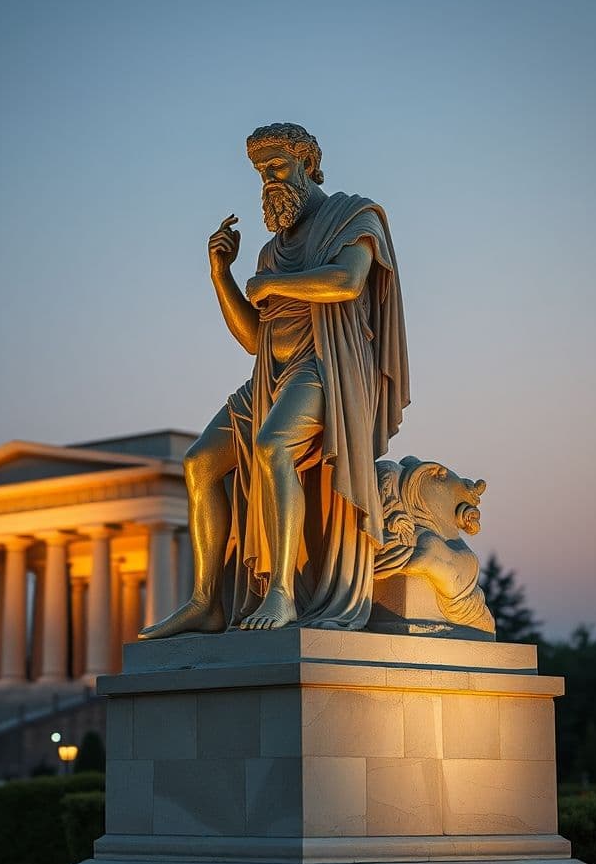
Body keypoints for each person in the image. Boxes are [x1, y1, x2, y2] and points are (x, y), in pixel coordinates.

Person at [141, 123, 409, 637]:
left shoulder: (355, 216)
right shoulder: (270, 250)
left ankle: (282, 592)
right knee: (199, 464)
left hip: (325, 369)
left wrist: (270, 284)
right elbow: (252, 337)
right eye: (261, 171)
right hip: (270, 375)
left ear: (308, 164)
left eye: (277, 166)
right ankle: (205, 602)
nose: (267, 179)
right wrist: (222, 274)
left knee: (272, 447)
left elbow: (347, 282)